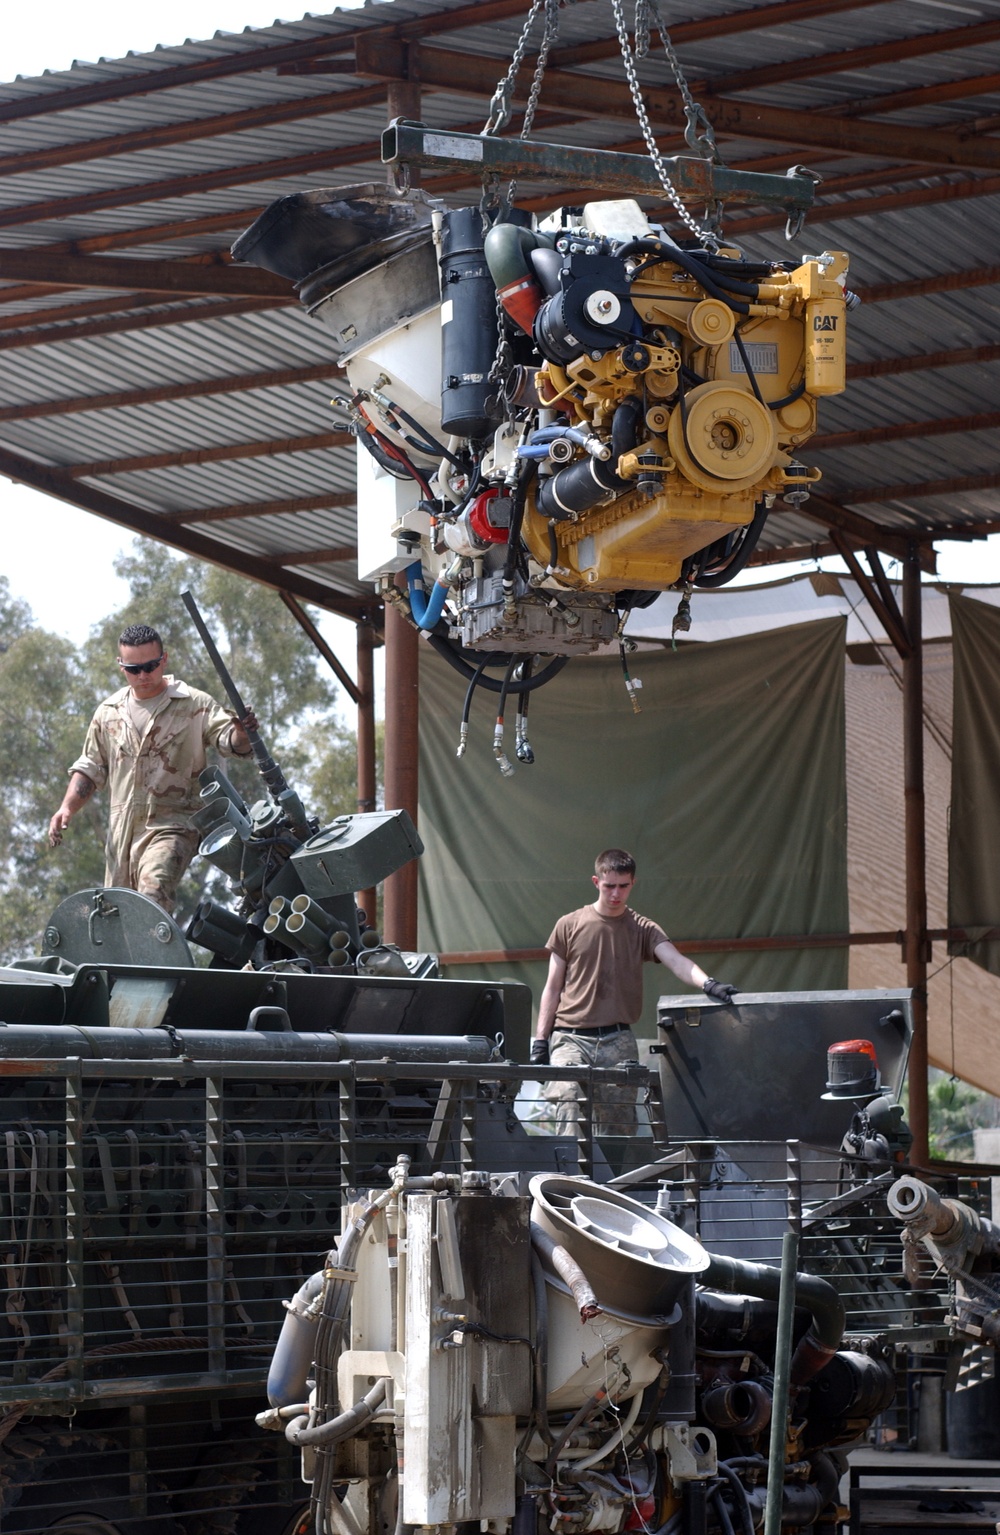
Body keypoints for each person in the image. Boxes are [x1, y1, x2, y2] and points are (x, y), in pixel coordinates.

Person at [48, 623, 258, 915]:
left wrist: (243, 732)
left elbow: (229, 740)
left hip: (172, 827)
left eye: (151, 665)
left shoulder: (193, 704)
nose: (144, 675)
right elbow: (91, 768)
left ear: (164, 660)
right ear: (121, 667)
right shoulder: (108, 713)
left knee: (152, 895)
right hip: (121, 837)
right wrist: (67, 809)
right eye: (134, 669)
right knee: (115, 915)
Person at [530, 848, 738, 1136]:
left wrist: (709, 984)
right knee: (569, 1102)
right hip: (571, 1038)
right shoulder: (569, 924)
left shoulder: (642, 928)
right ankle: (568, 1180)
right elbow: (552, 987)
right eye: (609, 886)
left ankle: (611, 1182)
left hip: (618, 1039)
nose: (616, 893)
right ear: (596, 882)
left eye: (623, 886)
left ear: (633, 884)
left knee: (618, 1124)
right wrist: (541, 1041)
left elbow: (677, 961)